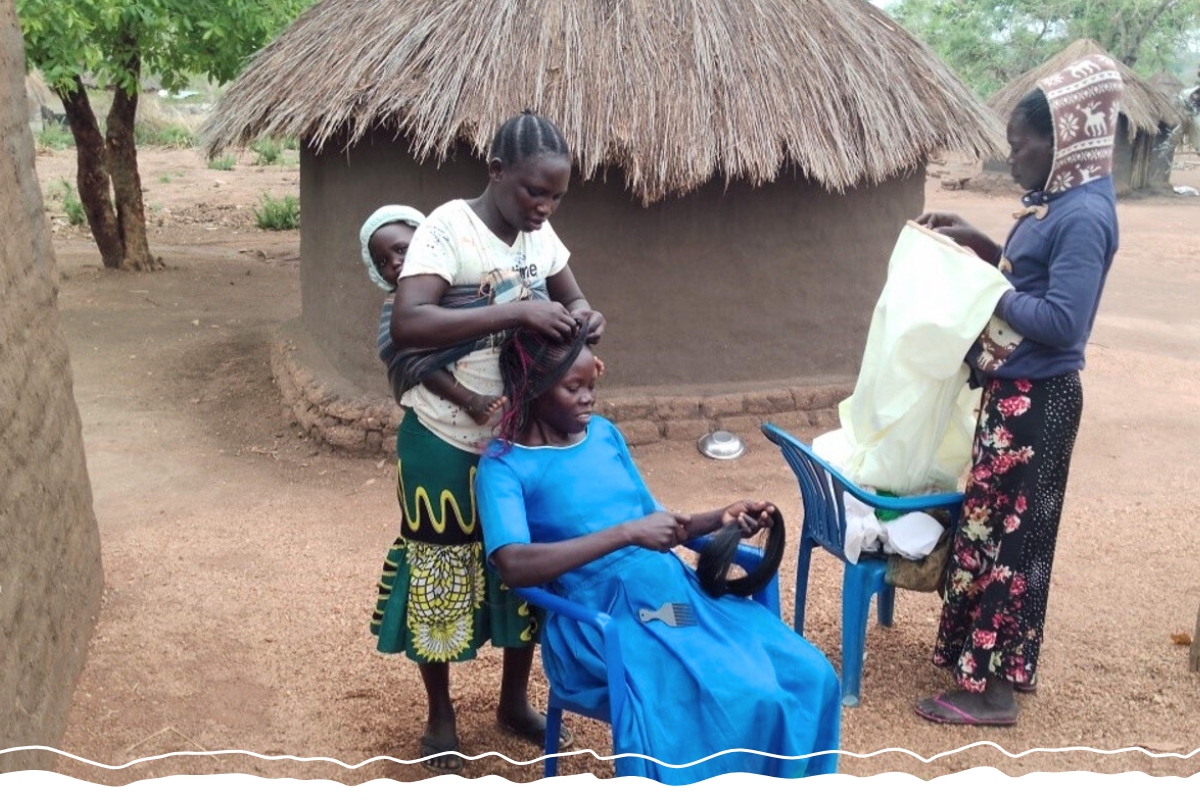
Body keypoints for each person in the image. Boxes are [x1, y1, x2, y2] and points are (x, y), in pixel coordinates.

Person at [475, 323, 842, 785]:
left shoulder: (603, 435)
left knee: (808, 674)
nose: (589, 398)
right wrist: (626, 534)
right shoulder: (503, 465)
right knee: (742, 692)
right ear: (533, 387)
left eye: (592, 386)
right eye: (575, 388)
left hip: (670, 600)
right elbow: (512, 564)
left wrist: (719, 518)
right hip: (601, 620)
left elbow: (658, 524)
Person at [368, 111, 605, 774]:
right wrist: (516, 310)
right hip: (443, 438)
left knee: (522, 563)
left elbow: (575, 297)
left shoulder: (540, 235)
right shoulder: (449, 228)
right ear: (496, 171)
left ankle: (512, 701)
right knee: (441, 568)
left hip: (514, 436)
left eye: (556, 195)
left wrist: (586, 316)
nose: (544, 205)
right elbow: (412, 322)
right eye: (534, 191)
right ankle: (441, 717)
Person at [912, 55, 1123, 726]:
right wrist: (980, 245)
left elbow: (1063, 320)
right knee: (990, 530)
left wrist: (988, 288)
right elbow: (1031, 282)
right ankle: (981, 663)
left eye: (1020, 143)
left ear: (1060, 140)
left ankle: (993, 692)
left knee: (1012, 542)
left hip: (1039, 402)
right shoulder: (1060, 204)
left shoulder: (1084, 216)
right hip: (1016, 397)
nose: (1013, 156)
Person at [360, 205, 505, 425]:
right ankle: (470, 401)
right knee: (418, 363)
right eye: (383, 262)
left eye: (401, 249)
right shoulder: (397, 302)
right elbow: (392, 345)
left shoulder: (459, 281)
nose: (395, 262)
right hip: (435, 406)